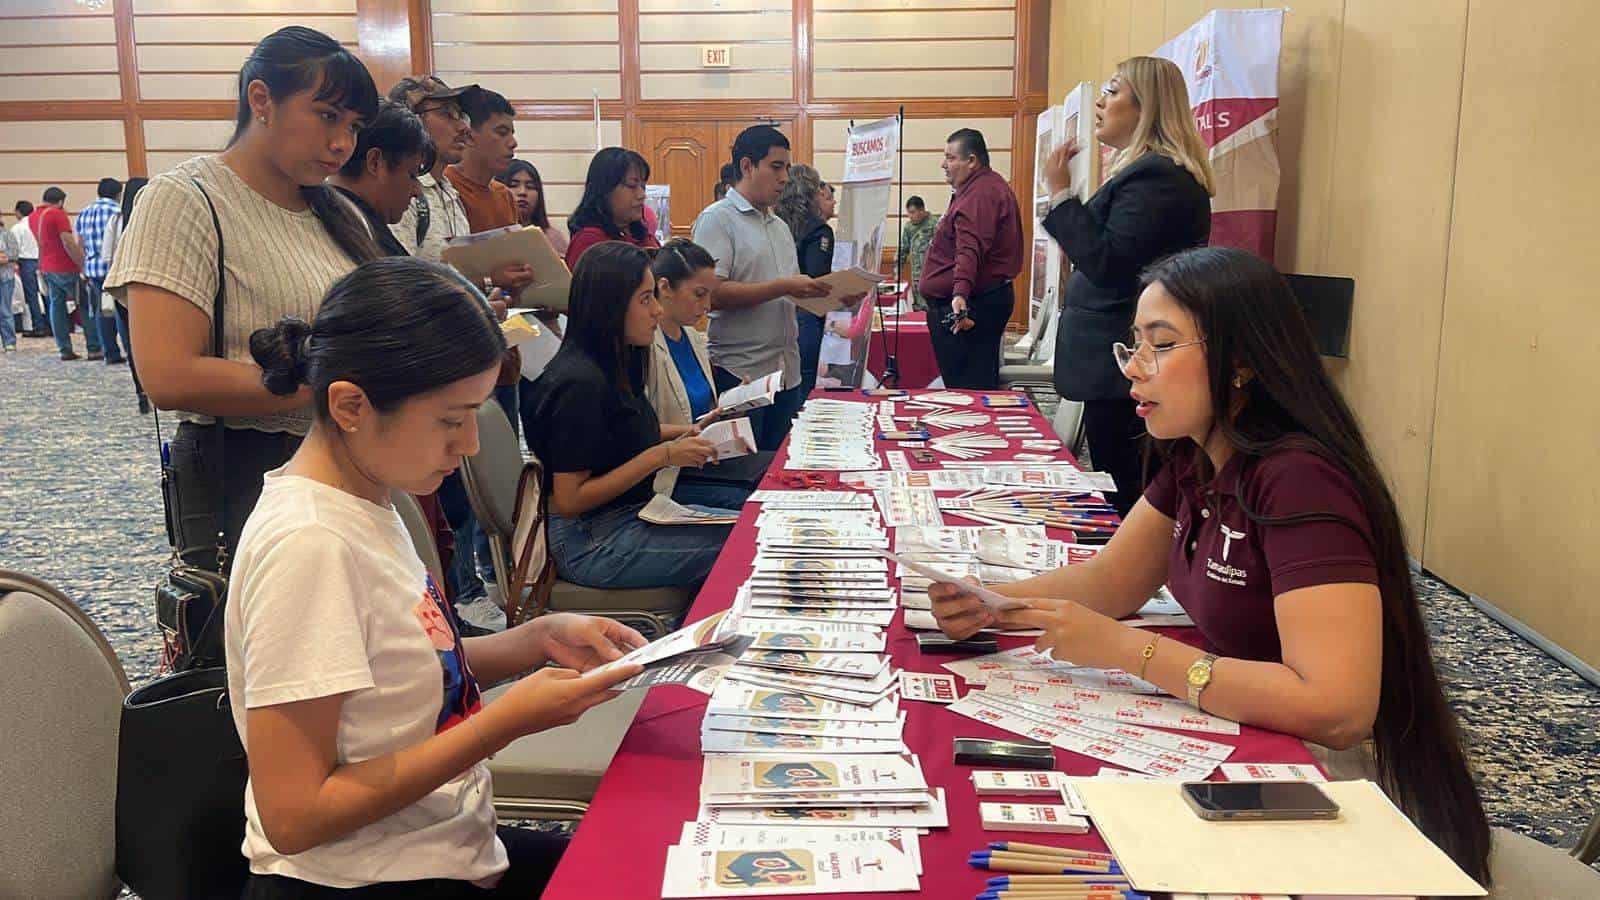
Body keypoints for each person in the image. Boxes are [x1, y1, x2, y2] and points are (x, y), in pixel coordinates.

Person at [929, 247, 1492, 888]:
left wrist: (1133, 653)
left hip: (1353, 802)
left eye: (1160, 346)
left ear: (1241, 361)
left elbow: (1339, 709)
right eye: (1132, 345)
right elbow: (1108, 582)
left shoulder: (1300, 479)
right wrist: (989, 602)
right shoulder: (1200, 455)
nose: (1134, 370)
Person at [229, 255, 645, 898]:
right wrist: (501, 724)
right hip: (362, 878)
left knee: (645, 860)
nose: (470, 445)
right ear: (351, 406)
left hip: (442, 843)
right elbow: (294, 814)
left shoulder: (370, 496)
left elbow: (400, 668)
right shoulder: (311, 545)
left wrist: (535, 642)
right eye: (452, 420)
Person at [105, 25, 382, 574]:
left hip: (348, 462)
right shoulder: (186, 199)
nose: (342, 143)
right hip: (244, 470)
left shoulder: (339, 212)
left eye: (353, 127)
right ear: (262, 100)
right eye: (328, 116)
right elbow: (168, 376)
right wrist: (330, 388)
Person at [1040, 56, 1214, 516]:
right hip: (1116, 366)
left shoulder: (1157, 177)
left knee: (1130, 492)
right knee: (1123, 483)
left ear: (1145, 107)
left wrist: (1060, 194)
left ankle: (1137, 583)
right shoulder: (1139, 172)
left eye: (1113, 91)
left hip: (1127, 365)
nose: (1100, 101)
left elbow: (1109, 263)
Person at [523, 241, 734, 590]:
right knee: (741, 547)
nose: (655, 310)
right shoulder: (579, 383)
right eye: (645, 299)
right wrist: (661, 455)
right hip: (589, 541)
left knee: (745, 527)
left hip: (629, 514)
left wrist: (690, 431)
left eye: (653, 296)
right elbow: (571, 499)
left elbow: (623, 435)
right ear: (610, 306)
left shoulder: (616, 361)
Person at [692, 126, 832, 451]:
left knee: (777, 469)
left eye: (786, 167)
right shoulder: (717, 220)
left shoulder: (779, 225)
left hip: (786, 370)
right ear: (746, 167)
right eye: (776, 166)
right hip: (741, 373)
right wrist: (783, 286)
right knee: (745, 476)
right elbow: (710, 294)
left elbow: (788, 292)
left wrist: (828, 294)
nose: (785, 177)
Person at [647, 238, 774, 510]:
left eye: (709, 295)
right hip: (669, 472)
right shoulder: (645, 346)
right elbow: (637, 431)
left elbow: (703, 411)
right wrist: (693, 430)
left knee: (777, 473)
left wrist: (734, 404)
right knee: (755, 504)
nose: (707, 304)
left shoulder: (693, 338)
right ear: (665, 288)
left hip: (701, 459)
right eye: (698, 294)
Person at [918, 128, 1023, 391]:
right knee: (970, 386)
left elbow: (970, 249)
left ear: (972, 161)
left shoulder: (980, 195)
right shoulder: (981, 188)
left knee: (969, 392)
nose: (944, 164)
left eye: (950, 157)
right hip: (976, 300)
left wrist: (959, 295)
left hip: (969, 307)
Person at [328, 99, 433, 257]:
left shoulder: (327, 217)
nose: (417, 191)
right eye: (411, 175)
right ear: (375, 162)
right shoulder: (358, 239)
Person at [776, 164, 836, 402]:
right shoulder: (819, 230)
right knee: (804, 386)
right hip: (807, 316)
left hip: (777, 312)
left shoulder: (775, 223)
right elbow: (816, 278)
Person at [564, 147, 660, 269]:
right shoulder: (590, 242)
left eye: (643, 186)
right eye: (632, 185)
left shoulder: (642, 234)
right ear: (605, 190)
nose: (642, 195)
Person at [30, 186, 94, 361]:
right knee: (85, 305)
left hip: (47, 266)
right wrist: (82, 264)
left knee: (56, 306)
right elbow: (68, 242)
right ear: (60, 201)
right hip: (65, 267)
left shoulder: (33, 217)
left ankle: (64, 348)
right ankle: (94, 347)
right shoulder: (57, 214)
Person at [444, 88, 520, 234]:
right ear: (469, 136)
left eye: (512, 134)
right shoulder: (446, 190)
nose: (513, 143)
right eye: (502, 133)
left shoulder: (505, 196)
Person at [102, 177, 149, 409]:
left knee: (132, 343)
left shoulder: (117, 220)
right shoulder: (153, 218)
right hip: (152, 288)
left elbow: (107, 255)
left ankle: (141, 393)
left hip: (124, 289)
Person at [75, 176, 126, 365]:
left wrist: (85, 266)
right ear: (118, 194)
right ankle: (129, 351)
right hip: (114, 268)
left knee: (101, 311)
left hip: (93, 269)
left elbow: (79, 243)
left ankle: (110, 353)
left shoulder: (85, 212)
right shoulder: (117, 211)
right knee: (120, 310)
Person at [496, 158, 568, 257]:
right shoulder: (488, 238)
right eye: (513, 185)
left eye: (530, 187)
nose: (522, 192)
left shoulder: (552, 239)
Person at [9, 201, 47, 337]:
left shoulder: (17, 228)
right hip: (42, 260)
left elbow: (13, 249)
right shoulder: (38, 223)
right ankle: (49, 325)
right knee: (45, 293)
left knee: (31, 296)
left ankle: (38, 327)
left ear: (19, 212)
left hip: (26, 262)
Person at [897, 195, 939, 311]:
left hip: (932, 276)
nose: (910, 216)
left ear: (922, 210)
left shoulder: (935, 224)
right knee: (919, 309)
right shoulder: (909, 227)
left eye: (912, 212)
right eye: (908, 213)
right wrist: (897, 272)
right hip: (916, 277)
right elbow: (902, 250)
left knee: (932, 309)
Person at [0, 222, 17, 351]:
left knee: (5, 310)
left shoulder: (7, 234)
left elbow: (14, 254)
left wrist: (6, 258)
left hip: (5, 277)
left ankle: (9, 341)